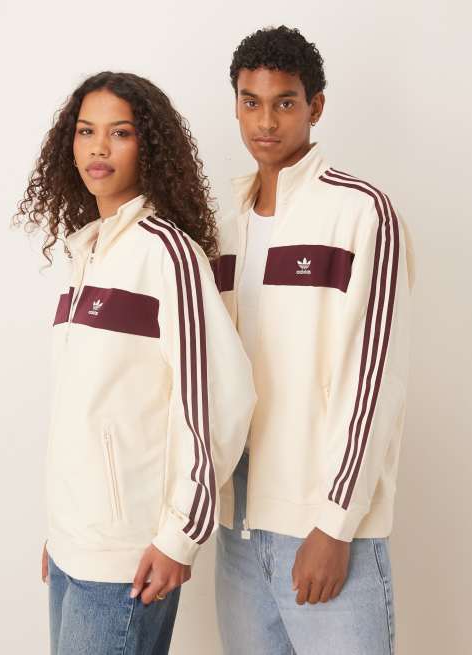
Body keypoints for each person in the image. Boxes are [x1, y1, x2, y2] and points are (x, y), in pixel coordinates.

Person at [14, 71, 256, 655]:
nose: (98, 148)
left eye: (119, 133)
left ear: (148, 145)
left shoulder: (167, 253)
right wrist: (64, 532)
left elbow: (218, 397)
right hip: (75, 547)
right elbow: (88, 408)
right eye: (86, 131)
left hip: (128, 557)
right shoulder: (89, 251)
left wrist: (180, 536)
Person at [213, 26, 415, 654]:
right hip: (237, 533)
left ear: (315, 106)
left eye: (285, 102)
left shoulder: (361, 213)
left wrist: (334, 524)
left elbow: (375, 379)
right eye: (251, 102)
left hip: (324, 529)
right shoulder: (223, 223)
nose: (265, 121)